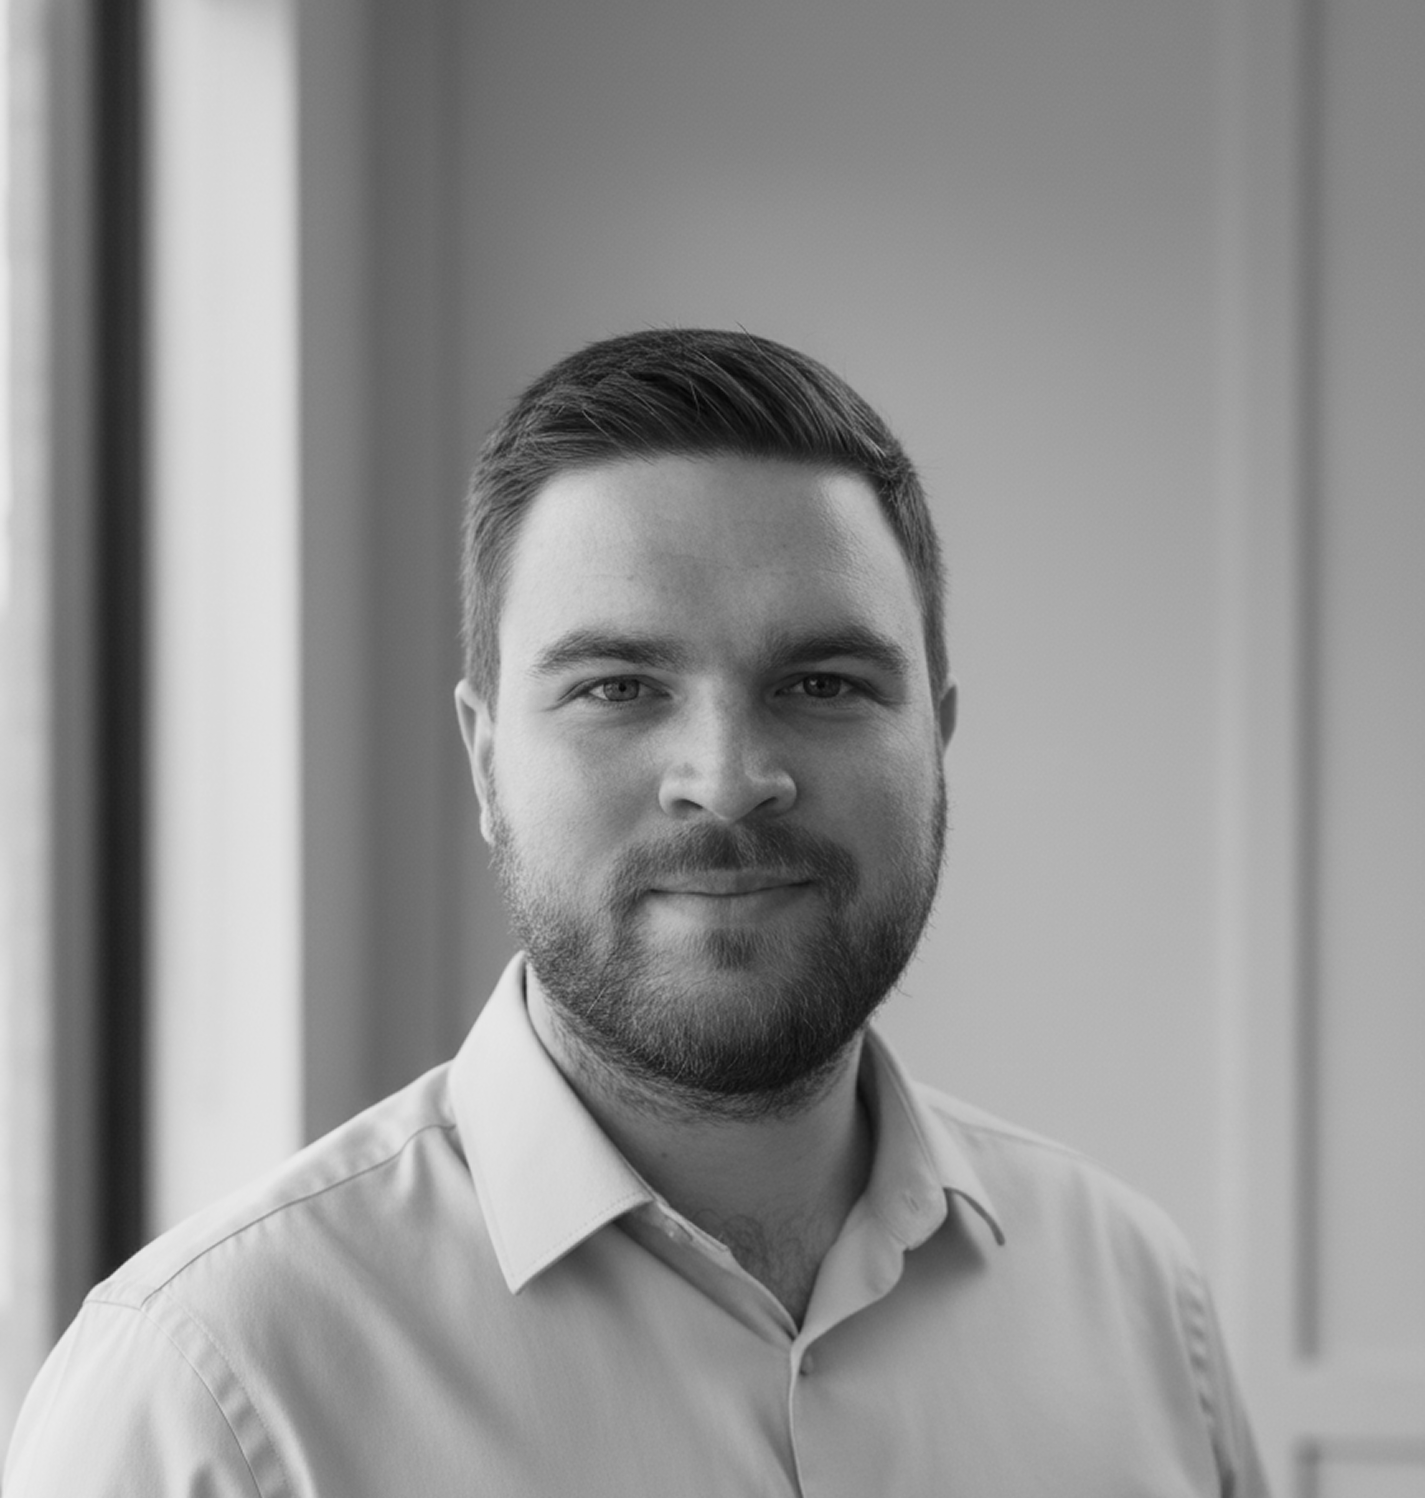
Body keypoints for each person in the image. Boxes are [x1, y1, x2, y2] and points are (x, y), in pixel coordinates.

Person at [5, 328, 1268, 1495]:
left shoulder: (1140, 1303)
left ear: (936, 738)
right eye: (618, 686)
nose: (727, 778)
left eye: (823, 682)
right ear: (486, 760)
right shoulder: (209, 1392)